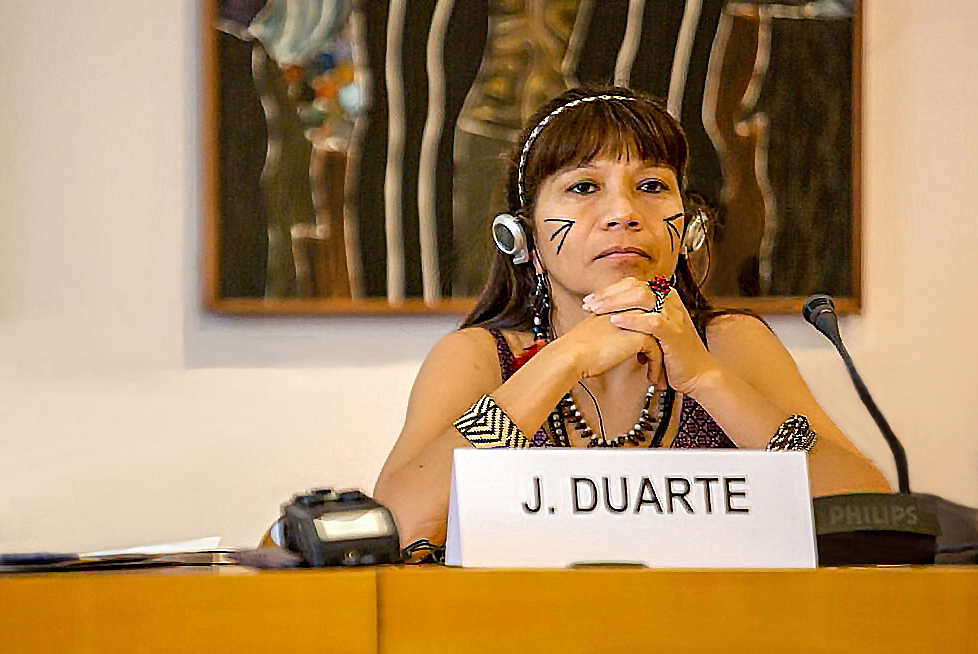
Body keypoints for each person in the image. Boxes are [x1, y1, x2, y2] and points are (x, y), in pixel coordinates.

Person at [373, 86, 890, 548]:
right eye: (583, 187)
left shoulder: (730, 344)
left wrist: (708, 380)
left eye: (651, 186)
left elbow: (869, 517)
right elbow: (404, 524)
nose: (624, 213)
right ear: (523, 237)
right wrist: (565, 359)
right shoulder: (480, 357)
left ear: (687, 227)